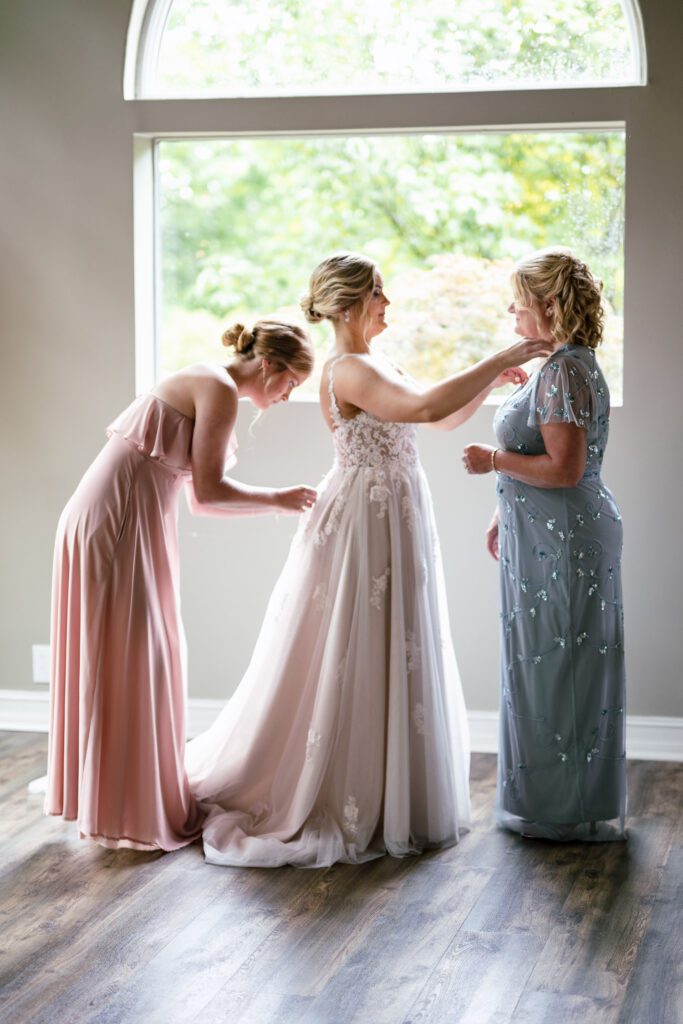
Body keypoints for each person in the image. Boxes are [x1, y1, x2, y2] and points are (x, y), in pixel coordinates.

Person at [185, 252, 552, 868]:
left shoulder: (377, 364)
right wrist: (503, 357)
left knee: (393, 642)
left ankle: (387, 793)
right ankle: (340, 788)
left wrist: (488, 384)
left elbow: (437, 418)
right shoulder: (349, 369)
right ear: (352, 302)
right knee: (351, 646)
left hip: (394, 510)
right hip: (364, 518)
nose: (388, 303)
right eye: (380, 293)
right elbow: (426, 407)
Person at [45, 320, 316, 852]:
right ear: (269, 366)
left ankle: (120, 798)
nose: (288, 396)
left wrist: (274, 503)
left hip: (124, 517)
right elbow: (211, 490)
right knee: (136, 655)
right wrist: (280, 499)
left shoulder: (212, 384)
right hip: (118, 519)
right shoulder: (216, 386)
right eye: (291, 383)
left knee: (137, 655)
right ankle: (123, 805)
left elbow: (197, 498)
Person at [462, 247, 626, 841]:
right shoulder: (564, 365)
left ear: (549, 304)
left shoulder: (563, 370)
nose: (511, 309)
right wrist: (502, 511)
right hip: (545, 534)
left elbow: (563, 469)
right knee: (544, 663)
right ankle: (551, 800)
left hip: (566, 539)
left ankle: (565, 807)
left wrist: (492, 461)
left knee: (562, 669)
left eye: (519, 300)